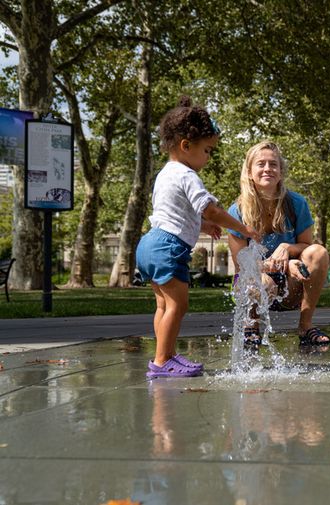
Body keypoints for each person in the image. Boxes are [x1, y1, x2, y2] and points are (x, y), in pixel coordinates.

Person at [136, 96, 260, 378]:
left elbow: (174, 212)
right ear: (186, 146)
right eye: (207, 150)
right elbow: (212, 209)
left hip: (150, 243)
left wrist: (202, 226)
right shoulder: (187, 175)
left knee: (163, 305)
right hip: (168, 248)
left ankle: (166, 354)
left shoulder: (165, 174)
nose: (208, 157)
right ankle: (160, 362)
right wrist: (243, 228)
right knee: (178, 305)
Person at [227, 141, 330, 347]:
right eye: (261, 164)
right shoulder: (237, 211)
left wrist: (288, 248)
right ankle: (251, 327)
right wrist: (281, 265)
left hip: (289, 287)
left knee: (319, 252)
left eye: (273, 164)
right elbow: (241, 265)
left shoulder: (296, 203)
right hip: (254, 285)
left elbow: (306, 246)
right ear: (249, 172)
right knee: (262, 281)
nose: (268, 169)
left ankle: (306, 326)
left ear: (281, 171)